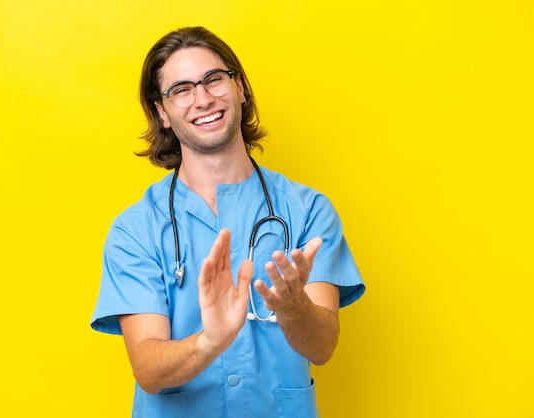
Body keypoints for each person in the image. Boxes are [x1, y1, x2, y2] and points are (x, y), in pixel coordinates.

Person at [91, 26, 365, 418]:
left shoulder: (308, 211)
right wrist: (209, 342)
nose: (203, 99)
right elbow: (148, 370)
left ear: (241, 88)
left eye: (213, 80)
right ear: (161, 113)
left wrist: (292, 307)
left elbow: (323, 348)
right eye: (181, 90)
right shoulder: (135, 230)